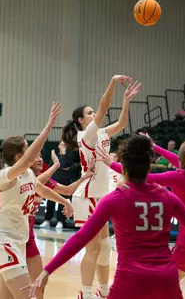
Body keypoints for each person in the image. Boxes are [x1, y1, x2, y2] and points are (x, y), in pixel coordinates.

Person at [28, 135, 185, 299]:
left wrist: (48, 270)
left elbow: (81, 238)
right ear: (149, 167)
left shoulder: (114, 199)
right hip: (165, 279)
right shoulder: (169, 197)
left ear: (123, 169)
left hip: (130, 278)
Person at [0, 102, 75, 299]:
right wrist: (48, 127)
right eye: (28, 148)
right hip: (4, 242)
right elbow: (25, 162)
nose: (34, 152)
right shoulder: (5, 175)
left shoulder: (29, 176)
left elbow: (44, 191)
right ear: (19, 156)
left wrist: (66, 202)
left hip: (19, 241)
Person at [98, 135, 185, 299]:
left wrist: (111, 164)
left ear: (180, 159)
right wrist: (155, 146)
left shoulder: (178, 177)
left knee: (157, 288)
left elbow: (141, 176)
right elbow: (176, 159)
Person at [0, 150, 93, 299]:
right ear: (24, 160)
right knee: (11, 290)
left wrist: (84, 177)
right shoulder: (20, 180)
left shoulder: (41, 180)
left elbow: (68, 190)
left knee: (38, 284)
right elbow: (37, 182)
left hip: (28, 239)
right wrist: (56, 166)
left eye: (41, 155)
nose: (40, 159)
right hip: (10, 238)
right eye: (36, 156)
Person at [60, 75, 141, 299]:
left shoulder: (102, 133)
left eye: (92, 111)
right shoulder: (85, 135)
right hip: (87, 197)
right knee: (94, 249)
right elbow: (104, 106)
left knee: (105, 248)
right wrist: (113, 83)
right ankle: (86, 294)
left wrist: (126, 101)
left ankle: (104, 292)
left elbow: (123, 124)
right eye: (89, 112)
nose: (93, 113)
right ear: (80, 121)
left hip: (100, 196)